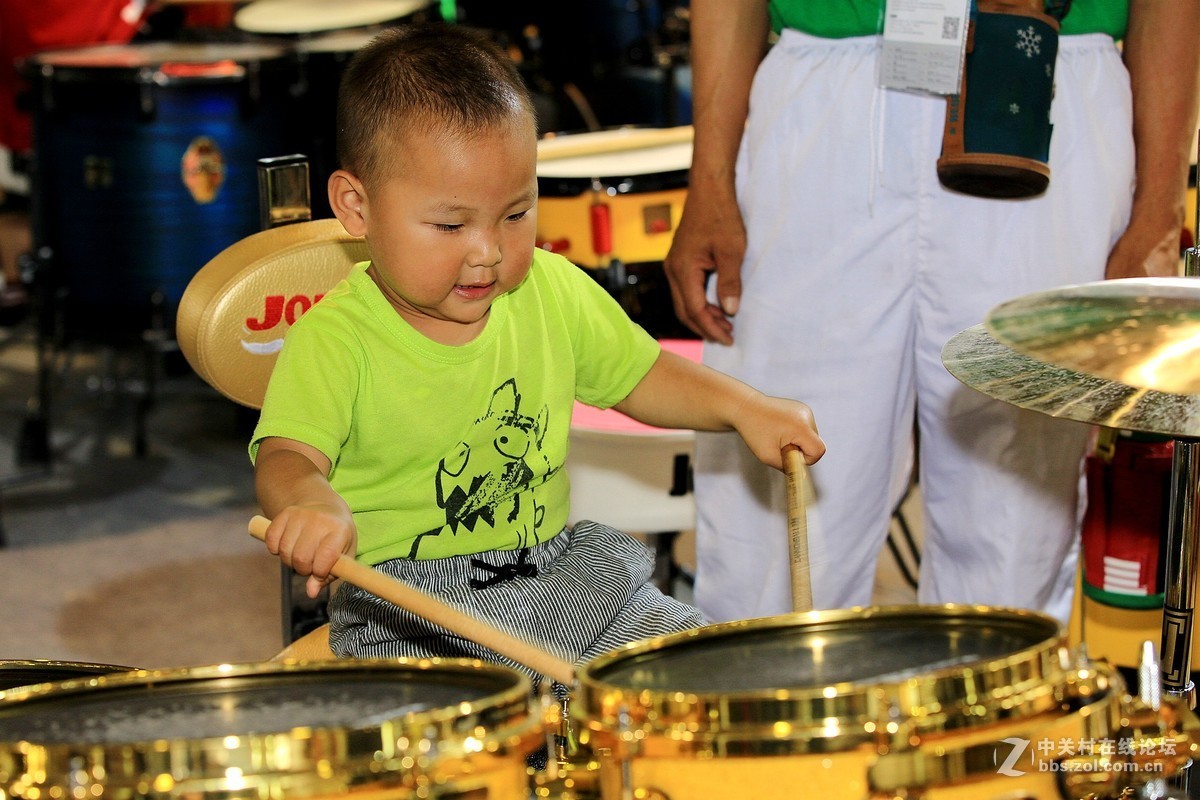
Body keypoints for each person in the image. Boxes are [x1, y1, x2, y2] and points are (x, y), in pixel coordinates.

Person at [249, 22, 826, 685]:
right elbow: (287, 456)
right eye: (450, 224)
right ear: (357, 206)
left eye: (516, 214)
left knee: (698, 662)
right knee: (478, 719)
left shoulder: (548, 289)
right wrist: (309, 504)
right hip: (409, 610)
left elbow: (639, 374)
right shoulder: (335, 337)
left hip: (556, 574)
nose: (488, 252)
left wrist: (746, 407)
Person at [663, 0, 1200, 625]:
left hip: (1043, 83)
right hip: (827, 91)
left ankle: (989, 722)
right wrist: (710, 181)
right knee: (774, 480)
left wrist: (1160, 207)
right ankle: (767, 716)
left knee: (1013, 522)